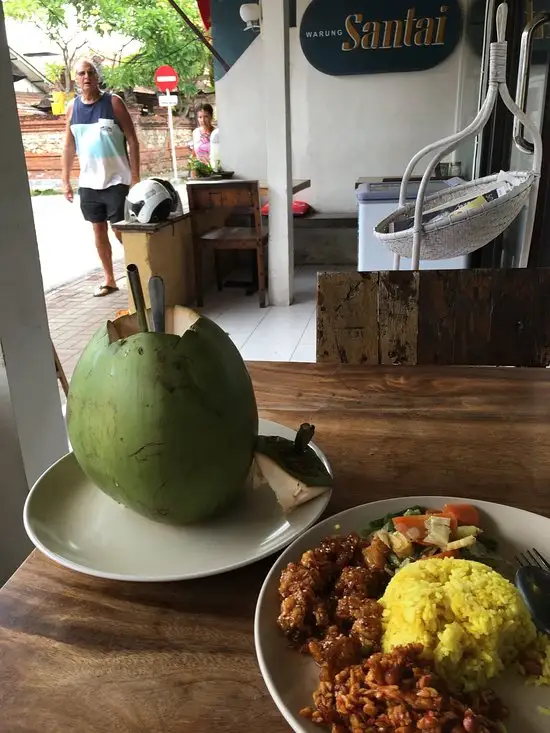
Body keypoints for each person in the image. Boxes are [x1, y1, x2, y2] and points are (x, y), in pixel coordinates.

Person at [62, 58, 140, 297]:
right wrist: (65, 179)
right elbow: (68, 145)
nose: (86, 77)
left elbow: (132, 139)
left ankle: (141, 270)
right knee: (98, 231)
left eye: (90, 73)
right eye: (81, 74)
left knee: (120, 231)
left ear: (97, 77)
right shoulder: (72, 108)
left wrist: (135, 176)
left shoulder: (113, 103)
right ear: (76, 79)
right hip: (88, 183)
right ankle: (109, 279)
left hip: (117, 179)